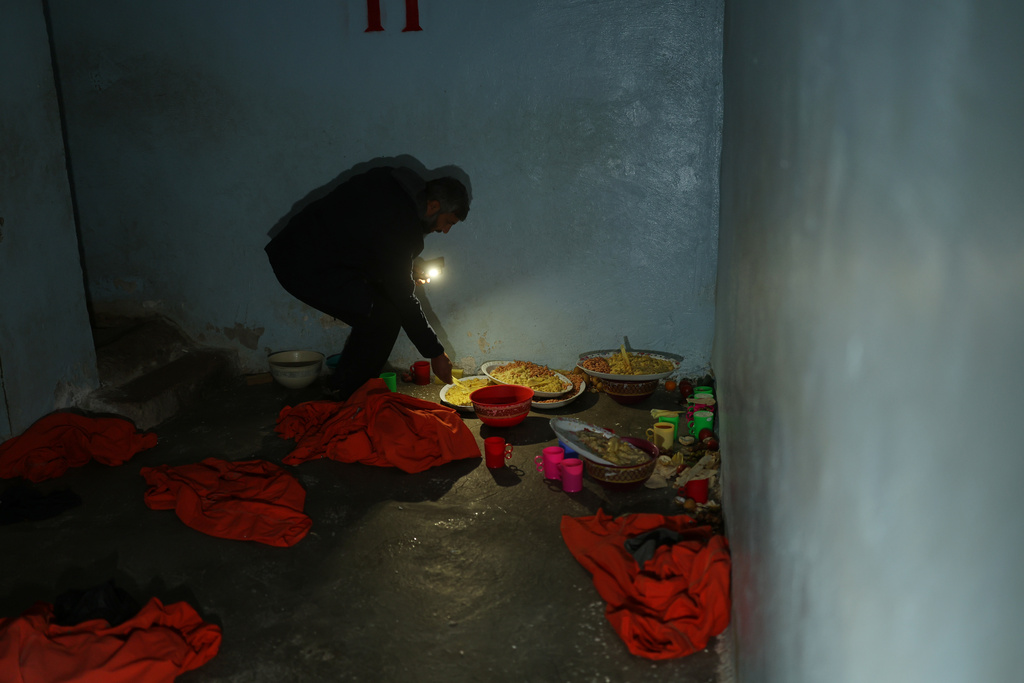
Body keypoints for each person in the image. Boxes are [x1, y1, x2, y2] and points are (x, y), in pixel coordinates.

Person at [265, 165, 469, 399]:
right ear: (433, 206)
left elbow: (368, 243)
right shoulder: (399, 220)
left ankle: (343, 386)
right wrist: (436, 353)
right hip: (302, 264)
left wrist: (403, 269)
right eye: (447, 222)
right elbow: (402, 295)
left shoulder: (395, 188)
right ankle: (350, 397)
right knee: (384, 316)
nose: (444, 231)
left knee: (378, 310)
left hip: (307, 254)